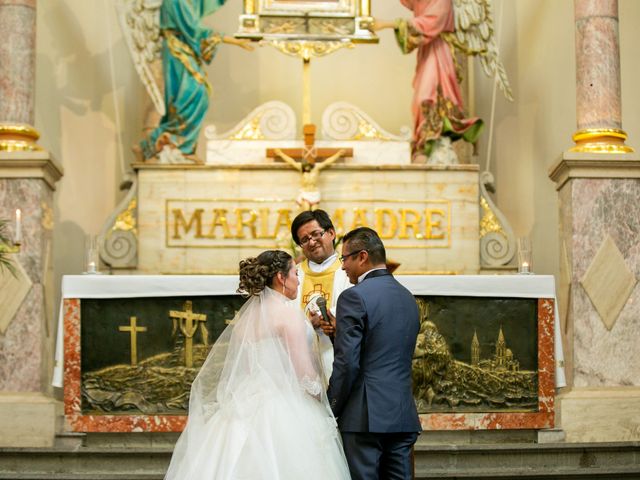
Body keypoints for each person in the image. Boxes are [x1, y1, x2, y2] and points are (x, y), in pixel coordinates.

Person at [164, 250, 350, 479]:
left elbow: (251, 366)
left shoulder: (247, 320)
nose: (298, 278)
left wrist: (306, 325)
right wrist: (324, 400)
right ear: (281, 278)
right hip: (287, 404)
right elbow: (304, 374)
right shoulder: (289, 315)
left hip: (247, 399)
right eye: (294, 273)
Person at [327, 227, 421, 480]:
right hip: (402, 413)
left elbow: (348, 363)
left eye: (345, 258)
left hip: (364, 416)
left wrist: (332, 405)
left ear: (362, 256)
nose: (343, 266)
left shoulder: (354, 297)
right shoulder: (408, 298)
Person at [137, 0, 253, 162]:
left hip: (181, 47)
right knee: (195, 95)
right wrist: (233, 40)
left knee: (191, 97)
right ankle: (163, 144)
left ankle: (180, 146)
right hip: (177, 50)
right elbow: (194, 28)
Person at [371, 0, 483, 161]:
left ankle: (431, 142)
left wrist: (387, 24)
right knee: (419, 101)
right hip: (427, 51)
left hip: (439, 51)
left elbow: (430, 23)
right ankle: (424, 144)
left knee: (427, 96)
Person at [291, 210, 351, 382]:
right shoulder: (294, 274)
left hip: (337, 355)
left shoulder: (347, 269)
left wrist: (326, 317)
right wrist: (307, 324)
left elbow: (356, 307)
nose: (311, 242)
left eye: (316, 234)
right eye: (304, 240)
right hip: (300, 358)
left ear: (331, 233)